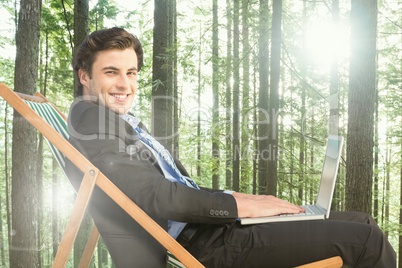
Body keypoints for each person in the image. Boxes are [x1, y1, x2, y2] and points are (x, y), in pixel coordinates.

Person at [66, 27, 396, 267]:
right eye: (111, 72)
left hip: (216, 230)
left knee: (363, 223)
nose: (125, 84)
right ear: (84, 76)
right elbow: (156, 196)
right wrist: (238, 208)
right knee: (367, 241)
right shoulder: (92, 122)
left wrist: (243, 199)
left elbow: (172, 187)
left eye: (131, 72)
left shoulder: (110, 120)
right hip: (210, 246)